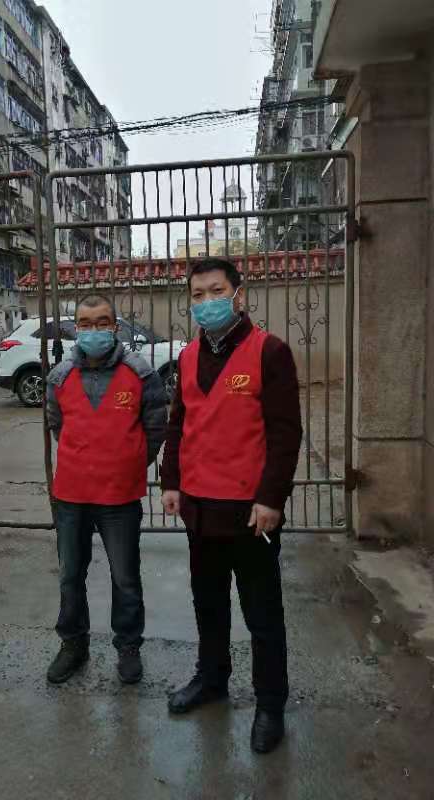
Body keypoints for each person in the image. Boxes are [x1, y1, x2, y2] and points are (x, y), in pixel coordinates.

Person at [161, 258, 302, 754]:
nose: (207, 302)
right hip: (200, 509)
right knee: (208, 603)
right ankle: (212, 678)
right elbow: (179, 424)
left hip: (250, 513)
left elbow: (285, 434)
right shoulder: (187, 356)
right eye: (197, 294)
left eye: (216, 291)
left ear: (239, 294)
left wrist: (271, 499)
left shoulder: (269, 351)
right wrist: (171, 482)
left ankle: (270, 703)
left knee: (262, 614)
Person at [46, 294, 167, 686]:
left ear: (114, 327)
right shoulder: (60, 377)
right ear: (75, 329)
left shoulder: (140, 373)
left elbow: (155, 425)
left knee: (125, 577)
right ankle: (73, 645)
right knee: (70, 576)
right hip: (72, 496)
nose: (93, 330)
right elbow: (56, 424)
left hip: (120, 497)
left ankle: (128, 647)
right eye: (85, 323)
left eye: (101, 322)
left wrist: (129, 461)